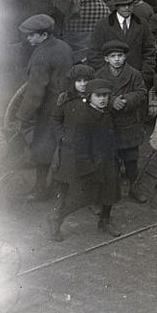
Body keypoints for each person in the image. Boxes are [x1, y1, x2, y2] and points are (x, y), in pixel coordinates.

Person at [47, 74, 123, 240]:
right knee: (81, 197)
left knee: (110, 192)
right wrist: (87, 168)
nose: (103, 99)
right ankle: (56, 219)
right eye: (98, 96)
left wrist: (115, 158)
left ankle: (105, 221)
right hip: (92, 164)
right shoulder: (83, 118)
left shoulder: (106, 114)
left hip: (108, 161)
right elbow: (80, 148)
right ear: (90, 97)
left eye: (105, 96)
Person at [17, 13, 74, 201]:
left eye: (32, 35)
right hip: (66, 104)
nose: (28, 38)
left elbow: (35, 91)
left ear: (44, 35)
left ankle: (41, 190)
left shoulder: (42, 55)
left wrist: (23, 116)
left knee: (42, 148)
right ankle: (61, 188)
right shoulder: (63, 46)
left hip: (49, 109)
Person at [94, 39, 148, 203]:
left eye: (120, 55)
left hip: (128, 123)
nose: (117, 59)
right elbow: (93, 95)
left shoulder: (134, 74)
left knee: (131, 159)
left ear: (125, 57)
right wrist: (111, 102)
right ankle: (112, 192)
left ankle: (134, 187)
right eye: (113, 56)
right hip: (108, 123)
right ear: (106, 59)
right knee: (111, 160)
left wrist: (125, 99)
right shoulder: (99, 75)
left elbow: (142, 93)